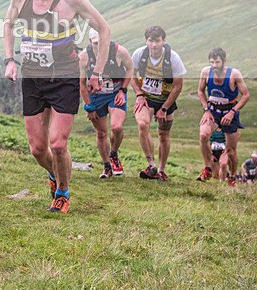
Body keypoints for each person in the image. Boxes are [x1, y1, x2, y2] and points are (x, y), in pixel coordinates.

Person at [4, 0, 111, 214]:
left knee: (58, 144)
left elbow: (103, 29)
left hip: (64, 76)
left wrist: (97, 72)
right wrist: (9, 59)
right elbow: (8, 24)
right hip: (32, 76)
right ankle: (55, 174)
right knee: (38, 149)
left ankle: (62, 192)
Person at [130, 26, 187, 182]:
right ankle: (151, 164)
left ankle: (161, 170)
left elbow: (178, 86)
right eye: (151, 41)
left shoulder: (173, 58)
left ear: (163, 41)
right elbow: (130, 74)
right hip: (146, 98)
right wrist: (139, 94)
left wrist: (164, 108)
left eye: (157, 41)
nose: (154, 45)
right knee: (142, 124)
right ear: (146, 41)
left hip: (165, 100)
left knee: (163, 135)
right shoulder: (139, 54)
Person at [78, 28, 134, 179]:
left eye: (103, 42)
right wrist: (88, 106)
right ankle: (106, 166)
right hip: (96, 97)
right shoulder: (84, 57)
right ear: (90, 43)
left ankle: (114, 154)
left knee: (117, 127)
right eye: (96, 43)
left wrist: (123, 90)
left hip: (115, 93)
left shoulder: (119, 51)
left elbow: (130, 69)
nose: (100, 46)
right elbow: (82, 84)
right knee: (101, 133)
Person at [196, 47, 250, 185]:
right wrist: (206, 109)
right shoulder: (206, 72)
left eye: (217, 62)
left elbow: (246, 95)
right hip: (213, 110)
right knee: (203, 135)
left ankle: (232, 177)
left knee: (231, 151)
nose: (214, 65)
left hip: (229, 112)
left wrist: (233, 112)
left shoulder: (234, 74)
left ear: (224, 61)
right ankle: (207, 167)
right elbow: (201, 91)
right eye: (212, 62)